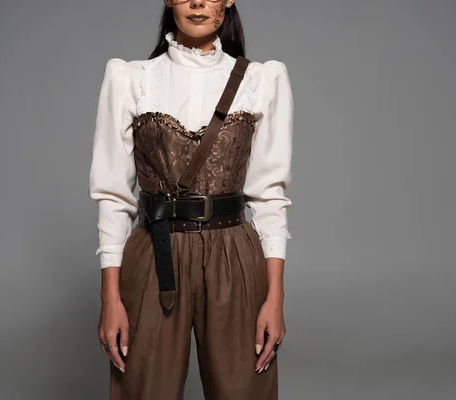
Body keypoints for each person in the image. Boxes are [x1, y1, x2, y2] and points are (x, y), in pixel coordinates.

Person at [88, 0, 293, 398]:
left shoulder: (262, 80)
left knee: (242, 391)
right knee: (146, 390)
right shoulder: (130, 78)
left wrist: (275, 298)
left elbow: (269, 197)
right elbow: (113, 197)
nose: (197, 2)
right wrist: (109, 298)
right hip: (154, 252)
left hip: (234, 252)